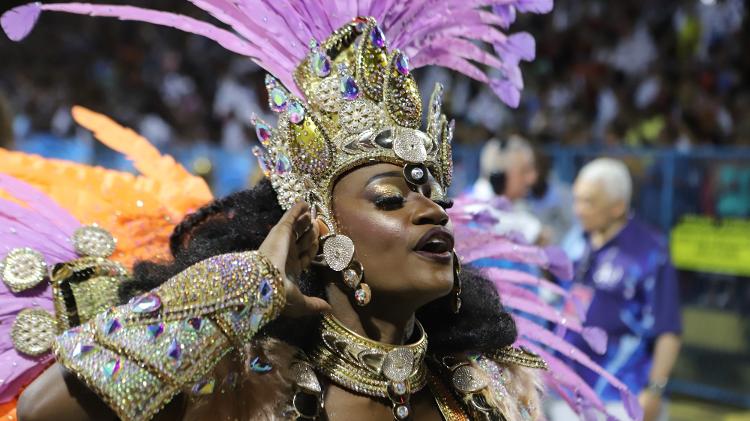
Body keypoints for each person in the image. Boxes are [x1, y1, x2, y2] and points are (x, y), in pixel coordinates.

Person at [551, 158, 682, 421]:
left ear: (618, 207)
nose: (578, 210)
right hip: (564, 391)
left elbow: (668, 330)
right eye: (576, 200)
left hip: (618, 397)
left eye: (588, 202)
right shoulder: (575, 240)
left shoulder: (649, 251)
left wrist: (654, 392)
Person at [466, 135, 545, 244]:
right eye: (524, 171)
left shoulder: (516, 205)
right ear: (499, 177)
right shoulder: (472, 211)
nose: (532, 178)